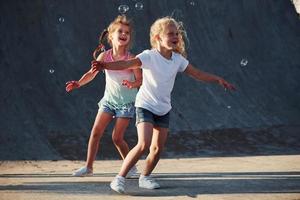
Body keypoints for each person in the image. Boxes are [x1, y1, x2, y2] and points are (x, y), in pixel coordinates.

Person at [91, 16, 236, 193]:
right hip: (145, 105)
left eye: (177, 33)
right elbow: (126, 63)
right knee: (143, 144)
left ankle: (145, 177)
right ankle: (119, 178)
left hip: (163, 109)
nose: (175, 36)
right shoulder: (148, 56)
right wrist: (104, 64)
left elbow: (197, 73)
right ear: (158, 37)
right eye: (170, 33)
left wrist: (217, 79)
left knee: (157, 148)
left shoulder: (178, 60)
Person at [66, 15, 142, 177]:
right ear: (111, 35)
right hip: (108, 101)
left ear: (129, 38)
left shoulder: (131, 59)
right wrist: (78, 83)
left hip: (126, 103)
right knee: (95, 132)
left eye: (127, 32)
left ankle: (132, 167)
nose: (124, 34)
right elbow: (90, 74)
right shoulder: (104, 57)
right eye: (120, 31)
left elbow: (140, 79)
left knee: (117, 138)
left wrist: (132, 84)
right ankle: (89, 167)